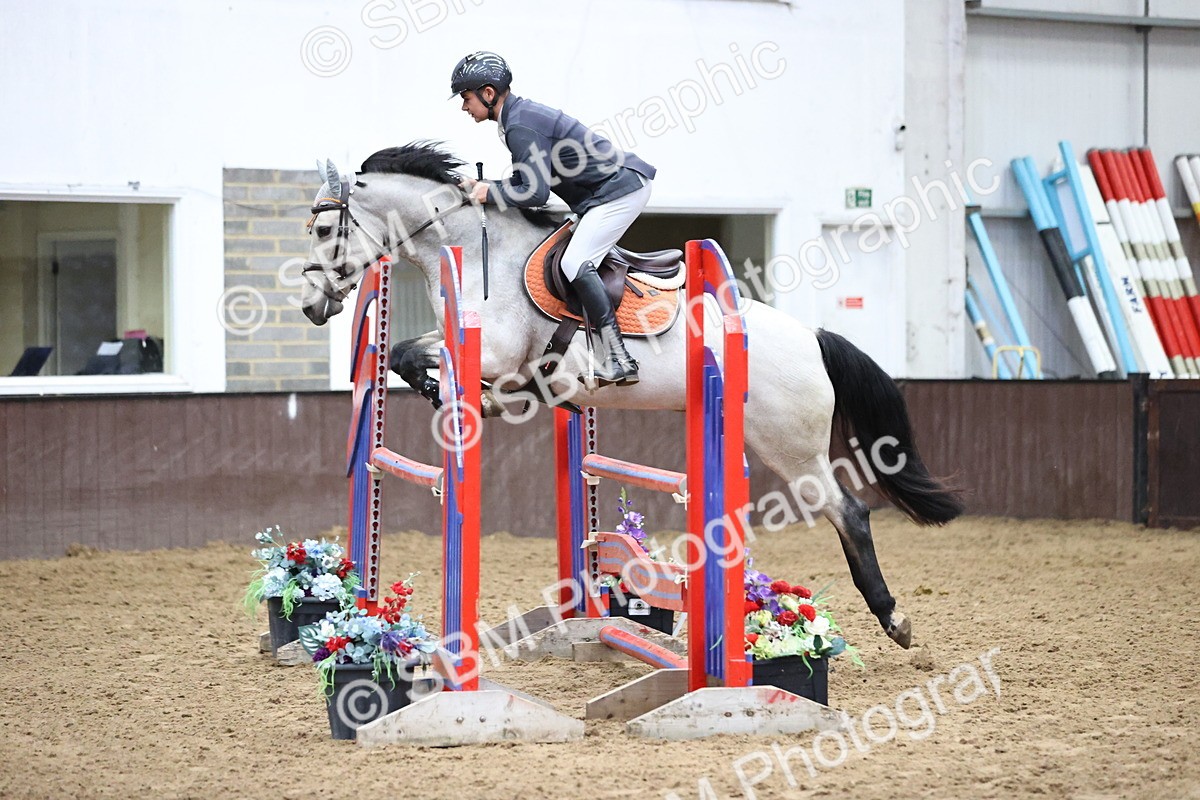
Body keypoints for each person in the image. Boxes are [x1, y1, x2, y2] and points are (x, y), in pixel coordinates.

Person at [451, 51, 655, 387]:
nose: (464, 107)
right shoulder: (517, 118)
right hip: (605, 193)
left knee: (575, 262)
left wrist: (491, 193)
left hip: (621, 189)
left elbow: (534, 194)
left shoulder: (519, 125)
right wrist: (488, 188)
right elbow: (527, 184)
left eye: (466, 98)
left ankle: (619, 358)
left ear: (489, 94)